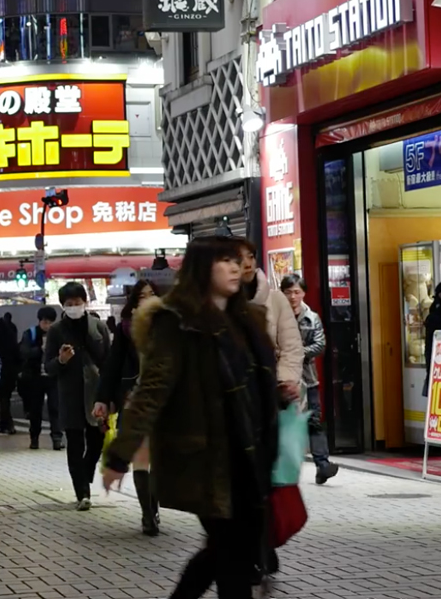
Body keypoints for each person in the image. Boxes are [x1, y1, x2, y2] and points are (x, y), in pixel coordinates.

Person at [103, 236, 279, 599]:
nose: (235, 268)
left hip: (250, 454)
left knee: (227, 551)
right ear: (203, 268)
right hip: (207, 458)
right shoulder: (177, 323)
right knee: (229, 554)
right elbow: (152, 389)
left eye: (238, 260)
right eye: (225, 261)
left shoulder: (247, 319)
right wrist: (121, 454)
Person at [96, 280, 160, 535]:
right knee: (142, 460)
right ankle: (147, 514)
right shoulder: (125, 330)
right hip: (134, 400)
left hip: (163, 402)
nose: (147, 299)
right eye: (141, 296)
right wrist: (103, 398)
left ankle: (153, 507)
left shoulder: (171, 325)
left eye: (152, 295)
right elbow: (112, 365)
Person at [45, 282, 110, 509]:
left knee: (96, 442)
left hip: (96, 394)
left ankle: (85, 473)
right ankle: (83, 492)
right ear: (62, 305)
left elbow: (109, 361)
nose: (74, 307)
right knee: (74, 444)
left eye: (77, 303)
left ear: (85, 303)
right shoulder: (56, 331)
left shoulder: (98, 327)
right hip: (70, 394)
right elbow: (49, 367)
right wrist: (61, 361)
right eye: (69, 304)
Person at [281, 275, 338, 485]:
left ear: (303, 293)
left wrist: (296, 353)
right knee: (286, 423)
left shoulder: (311, 318)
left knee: (314, 421)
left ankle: (322, 465)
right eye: (289, 292)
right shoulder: (276, 316)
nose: (293, 296)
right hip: (283, 379)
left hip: (308, 379)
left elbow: (320, 345)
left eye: (297, 292)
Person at [238, 241, 304, 403]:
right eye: (239, 258)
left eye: (251, 257)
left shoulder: (276, 299)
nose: (248, 264)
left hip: (273, 394)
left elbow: (292, 347)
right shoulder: (220, 303)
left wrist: (284, 382)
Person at [18, 306, 63, 450]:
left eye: (50, 322)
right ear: (40, 321)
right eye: (45, 322)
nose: (47, 325)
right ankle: (34, 438)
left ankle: (57, 438)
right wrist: (39, 349)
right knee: (35, 409)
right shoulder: (31, 334)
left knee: (55, 408)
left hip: (53, 377)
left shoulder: (58, 334)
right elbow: (23, 352)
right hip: (35, 378)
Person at [0, 312, 21, 434]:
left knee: (2, 397)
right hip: (9, 371)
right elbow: (17, 354)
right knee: (5, 398)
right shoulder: (11, 333)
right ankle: (7, 423)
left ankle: (5, 422)